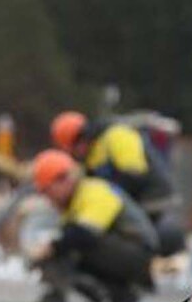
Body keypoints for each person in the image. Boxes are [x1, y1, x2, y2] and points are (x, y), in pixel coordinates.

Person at [28, 149, 157, 302]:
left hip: (137, 253)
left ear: (64, 180)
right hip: (126, 250)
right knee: (66, 241)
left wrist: (50, 248)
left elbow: (85, 234)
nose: (48, 198)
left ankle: (108, 291)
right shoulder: (74, 202)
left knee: (71, 243)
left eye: (48, 190)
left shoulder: (95, 191)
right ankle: (115, 293)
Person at [51, 110, 184, 256]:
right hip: (130, 201)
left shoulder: (117, 135)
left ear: (81, 140)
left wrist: (108, 197)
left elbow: (134, 174)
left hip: (151, 198)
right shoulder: (91, 155)